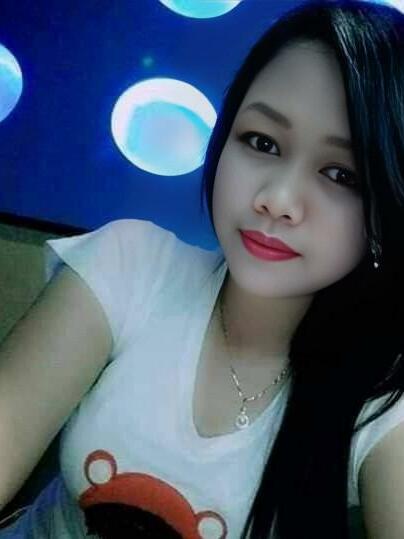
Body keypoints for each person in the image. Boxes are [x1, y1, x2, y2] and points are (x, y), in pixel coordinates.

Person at [0, 0, 404, 537]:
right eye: (262, 142)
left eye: (340, 174)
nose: (278, 199)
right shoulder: (132, 266)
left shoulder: (381, 399)